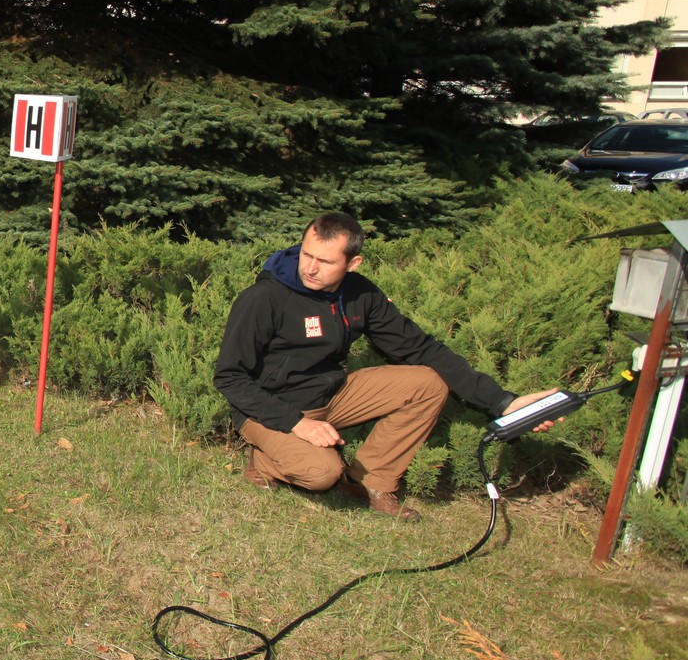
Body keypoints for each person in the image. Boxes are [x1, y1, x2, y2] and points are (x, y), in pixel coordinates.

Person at [213, 212, 555, 522]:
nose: (310, 268)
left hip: (331, 395)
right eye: (306, 255)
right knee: (322, 474)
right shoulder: (264, 298)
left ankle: (374, 482)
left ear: (353, 262)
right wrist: (296, 423)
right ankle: (265, 457)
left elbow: (421, 348)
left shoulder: (360, 295)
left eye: (325, 261)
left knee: (427, 383)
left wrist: (504, 402)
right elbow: (229, 377)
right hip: (267, 408)